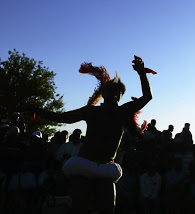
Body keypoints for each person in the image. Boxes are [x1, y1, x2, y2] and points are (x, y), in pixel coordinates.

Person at [30, 56, 154, 214]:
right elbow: (63, 118)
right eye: (110, 91)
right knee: (80, 208)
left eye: (115, 92)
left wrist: (142, 74)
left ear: (118, 95)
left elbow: (147, 97)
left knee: (106, 208)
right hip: (84, 165)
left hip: (105, 167)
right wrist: (39, 111)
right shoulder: (96, 111)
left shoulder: (122, 112)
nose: (112, 95)